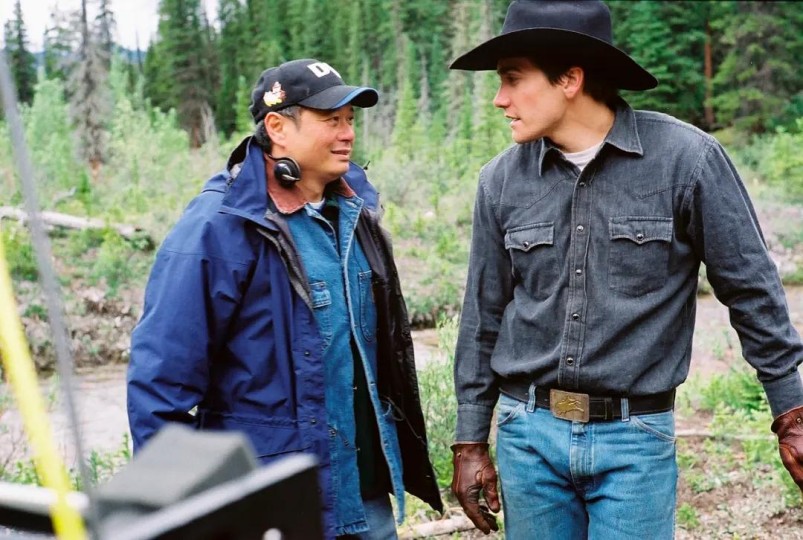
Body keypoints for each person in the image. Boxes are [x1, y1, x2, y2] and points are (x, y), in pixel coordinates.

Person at [447, 1, 803, 538]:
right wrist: (471, 438)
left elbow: (751, 289)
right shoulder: (499, 181)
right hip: (528, 438)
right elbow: (483, 314)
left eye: (513, 79)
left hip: (635, 442)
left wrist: (791, 412)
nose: (500, 98)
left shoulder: (687, 161)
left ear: (570, 79)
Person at [127, 58, 442, 539]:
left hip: (367, 496)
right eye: (330, 120)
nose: (347, 134)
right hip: (272, 506)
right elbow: (158, 386)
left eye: (350, 120)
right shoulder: (218, 227)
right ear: (277, 127)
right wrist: (187, 510)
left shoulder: (357, 211)